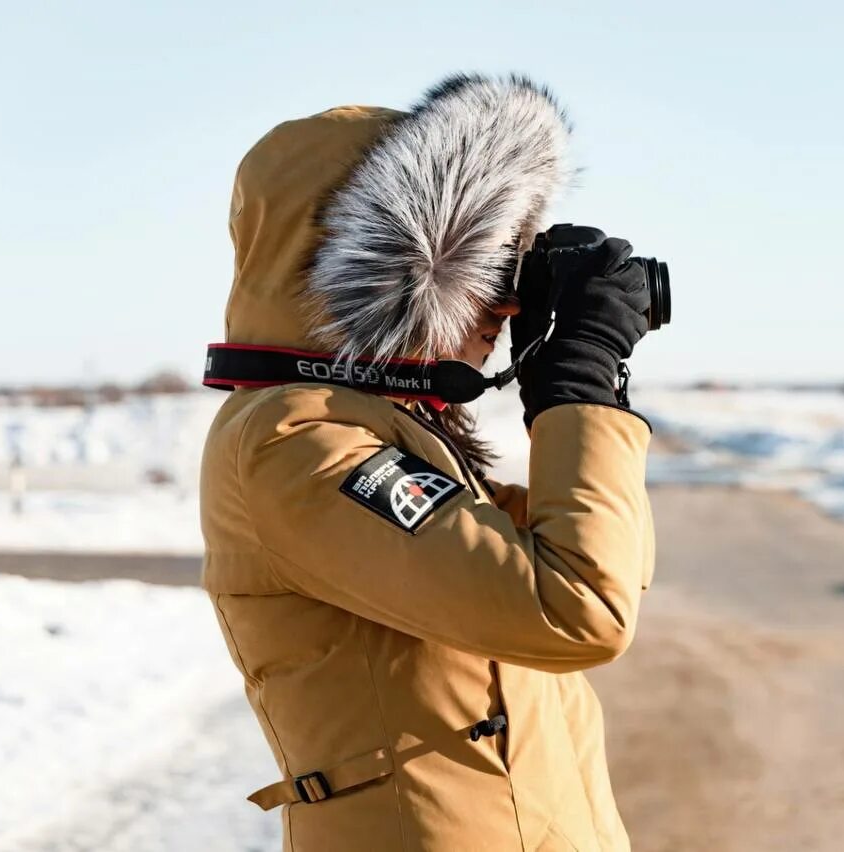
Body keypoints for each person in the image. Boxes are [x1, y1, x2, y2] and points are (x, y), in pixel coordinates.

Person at [199, 73, 655, 851]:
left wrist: (583, 383)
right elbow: (581, 608)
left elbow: (601, 562)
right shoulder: (293, 439)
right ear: (392, 276)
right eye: (485, 268)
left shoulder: (386, 426)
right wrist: (578, 383)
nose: (506, 304)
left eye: (509, 265)